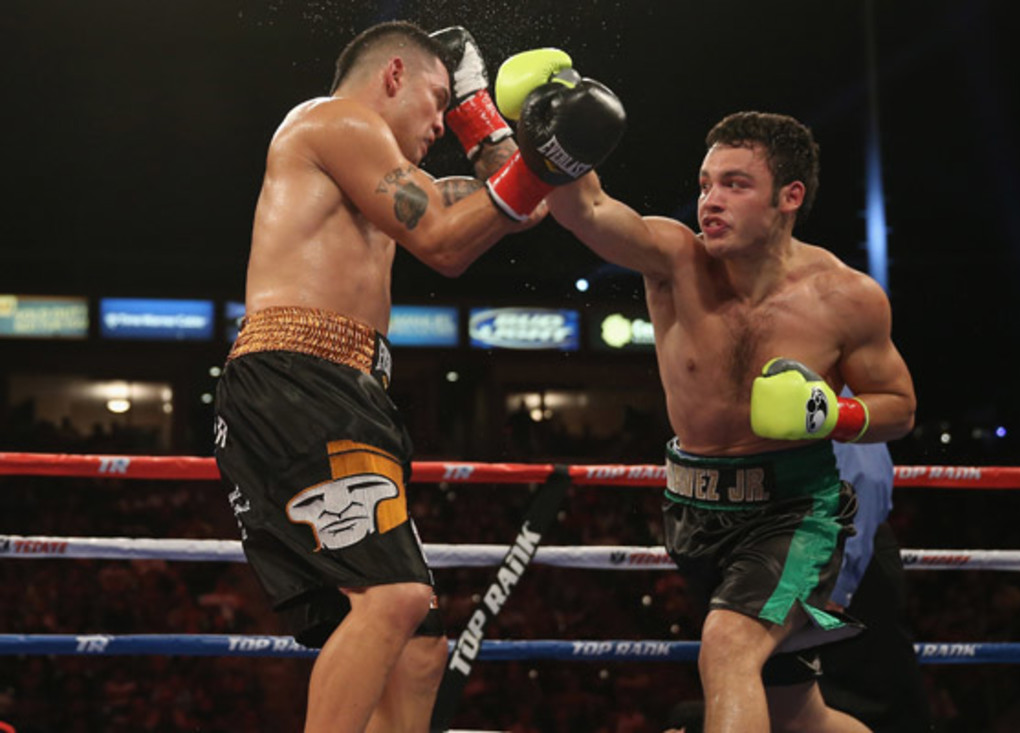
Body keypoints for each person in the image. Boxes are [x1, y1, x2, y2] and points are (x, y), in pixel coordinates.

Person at [212, 23, 623, 733]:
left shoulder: (383, 169)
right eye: (436, 102)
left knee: (420, 642)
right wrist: (533, 160)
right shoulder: (333, 119)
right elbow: (442, 241)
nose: (438, 125)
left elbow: (506, 207)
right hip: (300, 380)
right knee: (394, 600)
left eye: (448, 110)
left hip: (343, 392)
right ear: (393, 74)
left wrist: (479, 108)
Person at [502, 59, 916, 731]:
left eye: (735, 184)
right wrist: (545, 127)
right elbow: (587, 209)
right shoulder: (674, 260)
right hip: (695, 512)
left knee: (727, 650)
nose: (710, 200)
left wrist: (834, 413)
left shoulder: (845, 297)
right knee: (794, 711)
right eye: (705, 183)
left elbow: (900, 405)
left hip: (797, 512)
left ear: (789, 197)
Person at [821, 439, 933, 732]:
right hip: (822, 551)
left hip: (845, 552)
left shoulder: (831, 396)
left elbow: (864, 478)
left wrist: (839, 578)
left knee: (873, 696)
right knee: (819, 696)